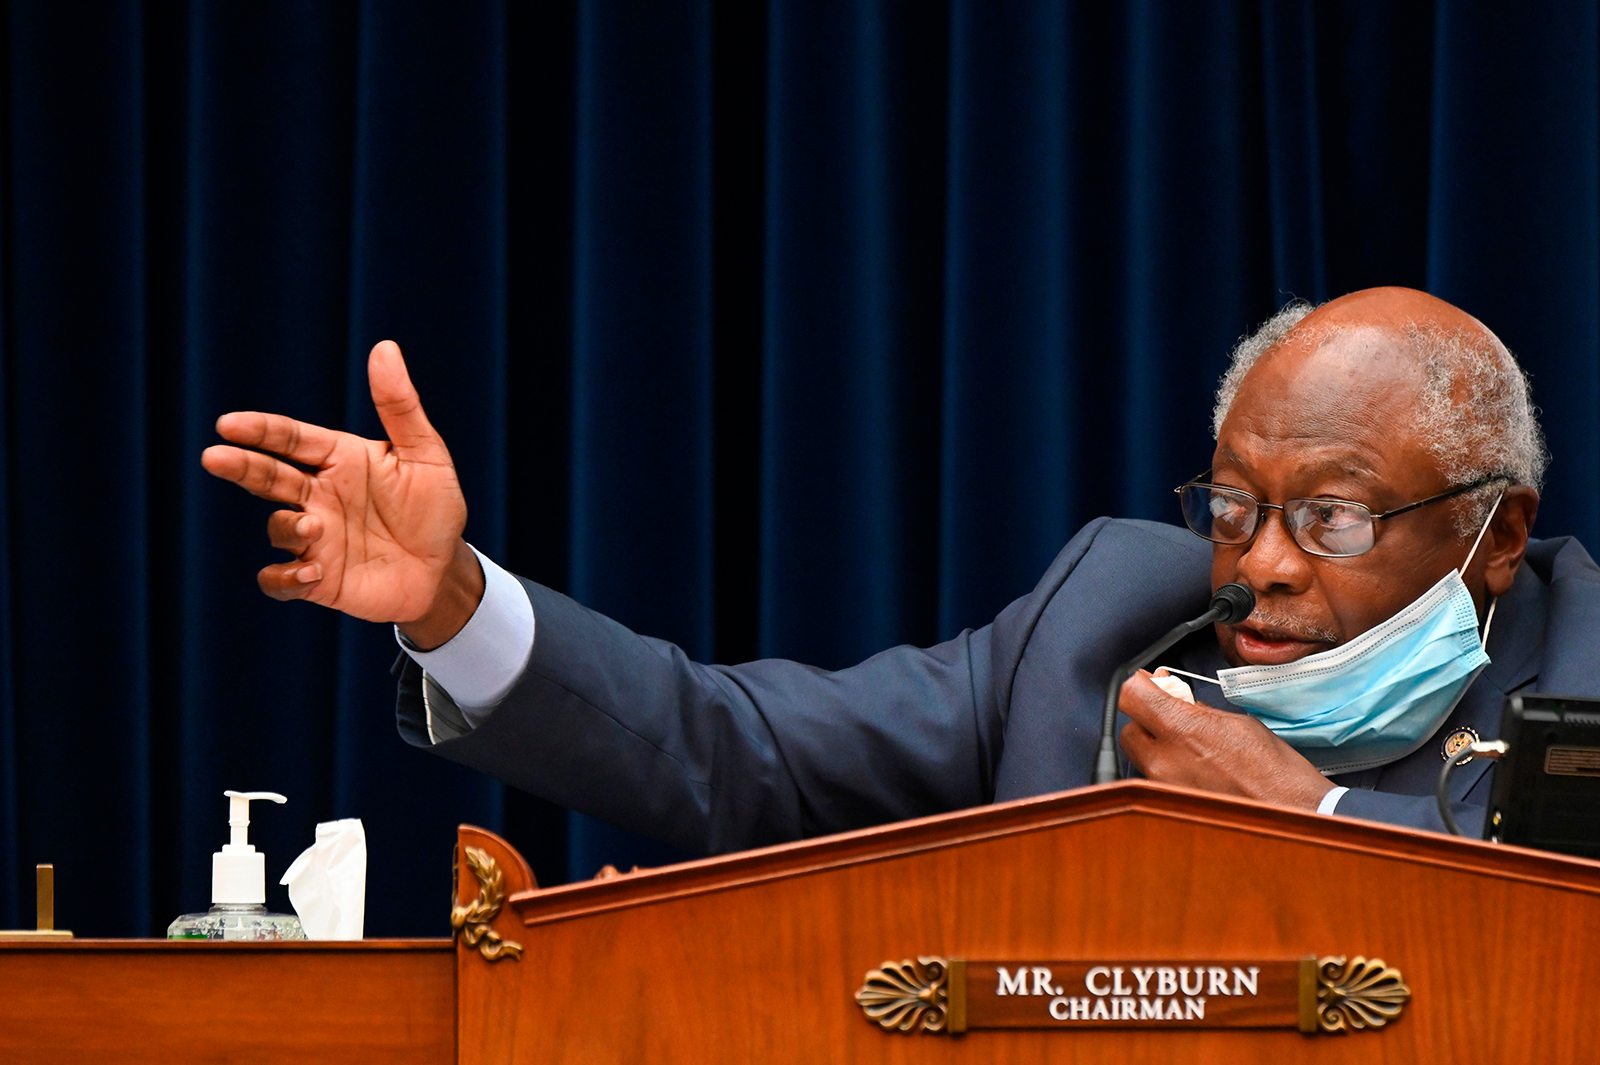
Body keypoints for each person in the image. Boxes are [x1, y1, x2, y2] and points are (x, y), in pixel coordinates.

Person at [201, 287, 1599, 852]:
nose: (1266, 565)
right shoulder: (1110, 622)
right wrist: (454, 600)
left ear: (1493, 535)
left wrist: (1325, 821)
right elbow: (735, 748)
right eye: (1235, 507)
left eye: (1334, 521)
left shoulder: (1587, 661)